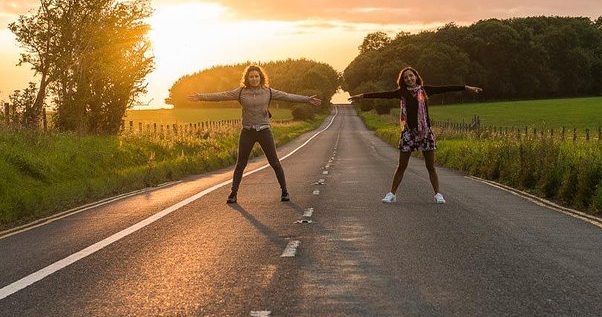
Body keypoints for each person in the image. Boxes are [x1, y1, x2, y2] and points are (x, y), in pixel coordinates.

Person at [188, 64, 322, 203]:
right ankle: (233, 194)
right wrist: (201, 97)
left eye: (256, 76)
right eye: (251, 76)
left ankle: (284, 191)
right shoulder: (241, 92)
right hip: (247, 131)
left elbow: (287, 96)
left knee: (274, 162)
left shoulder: (268, 91)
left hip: (264, 131)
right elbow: (222, 95)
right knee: (241, 164)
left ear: (260, 77)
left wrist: (307, 99)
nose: (254, 79)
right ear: (247, 78)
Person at [348, 66, 482, 204]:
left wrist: (467, 87)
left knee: (430, 166)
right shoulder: (401, 93)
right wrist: (361, 96)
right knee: (401, 166)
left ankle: (438, 194)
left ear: (416, 76)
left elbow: (446, 88)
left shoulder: (425, 90)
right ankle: (392, 194)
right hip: (409, 134)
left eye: (411, 76)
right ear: (403, 80)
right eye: (406, 77)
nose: (409, 79)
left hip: (425, 133)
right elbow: (382, 94)